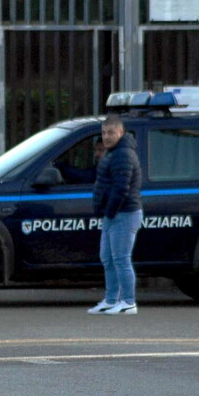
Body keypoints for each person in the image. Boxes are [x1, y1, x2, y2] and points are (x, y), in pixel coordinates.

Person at [88, 114, 143, 315]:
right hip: (113, 215)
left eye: (111, 132)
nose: (106, 137)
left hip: (125, 214)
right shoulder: (112, 153)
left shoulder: (123, 154)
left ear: (120, 132)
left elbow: (122, 188)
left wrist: (109, 211)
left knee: (121, 258)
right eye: (103, 133)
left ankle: (128, 302)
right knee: (108, 258)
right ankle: (111, 300)